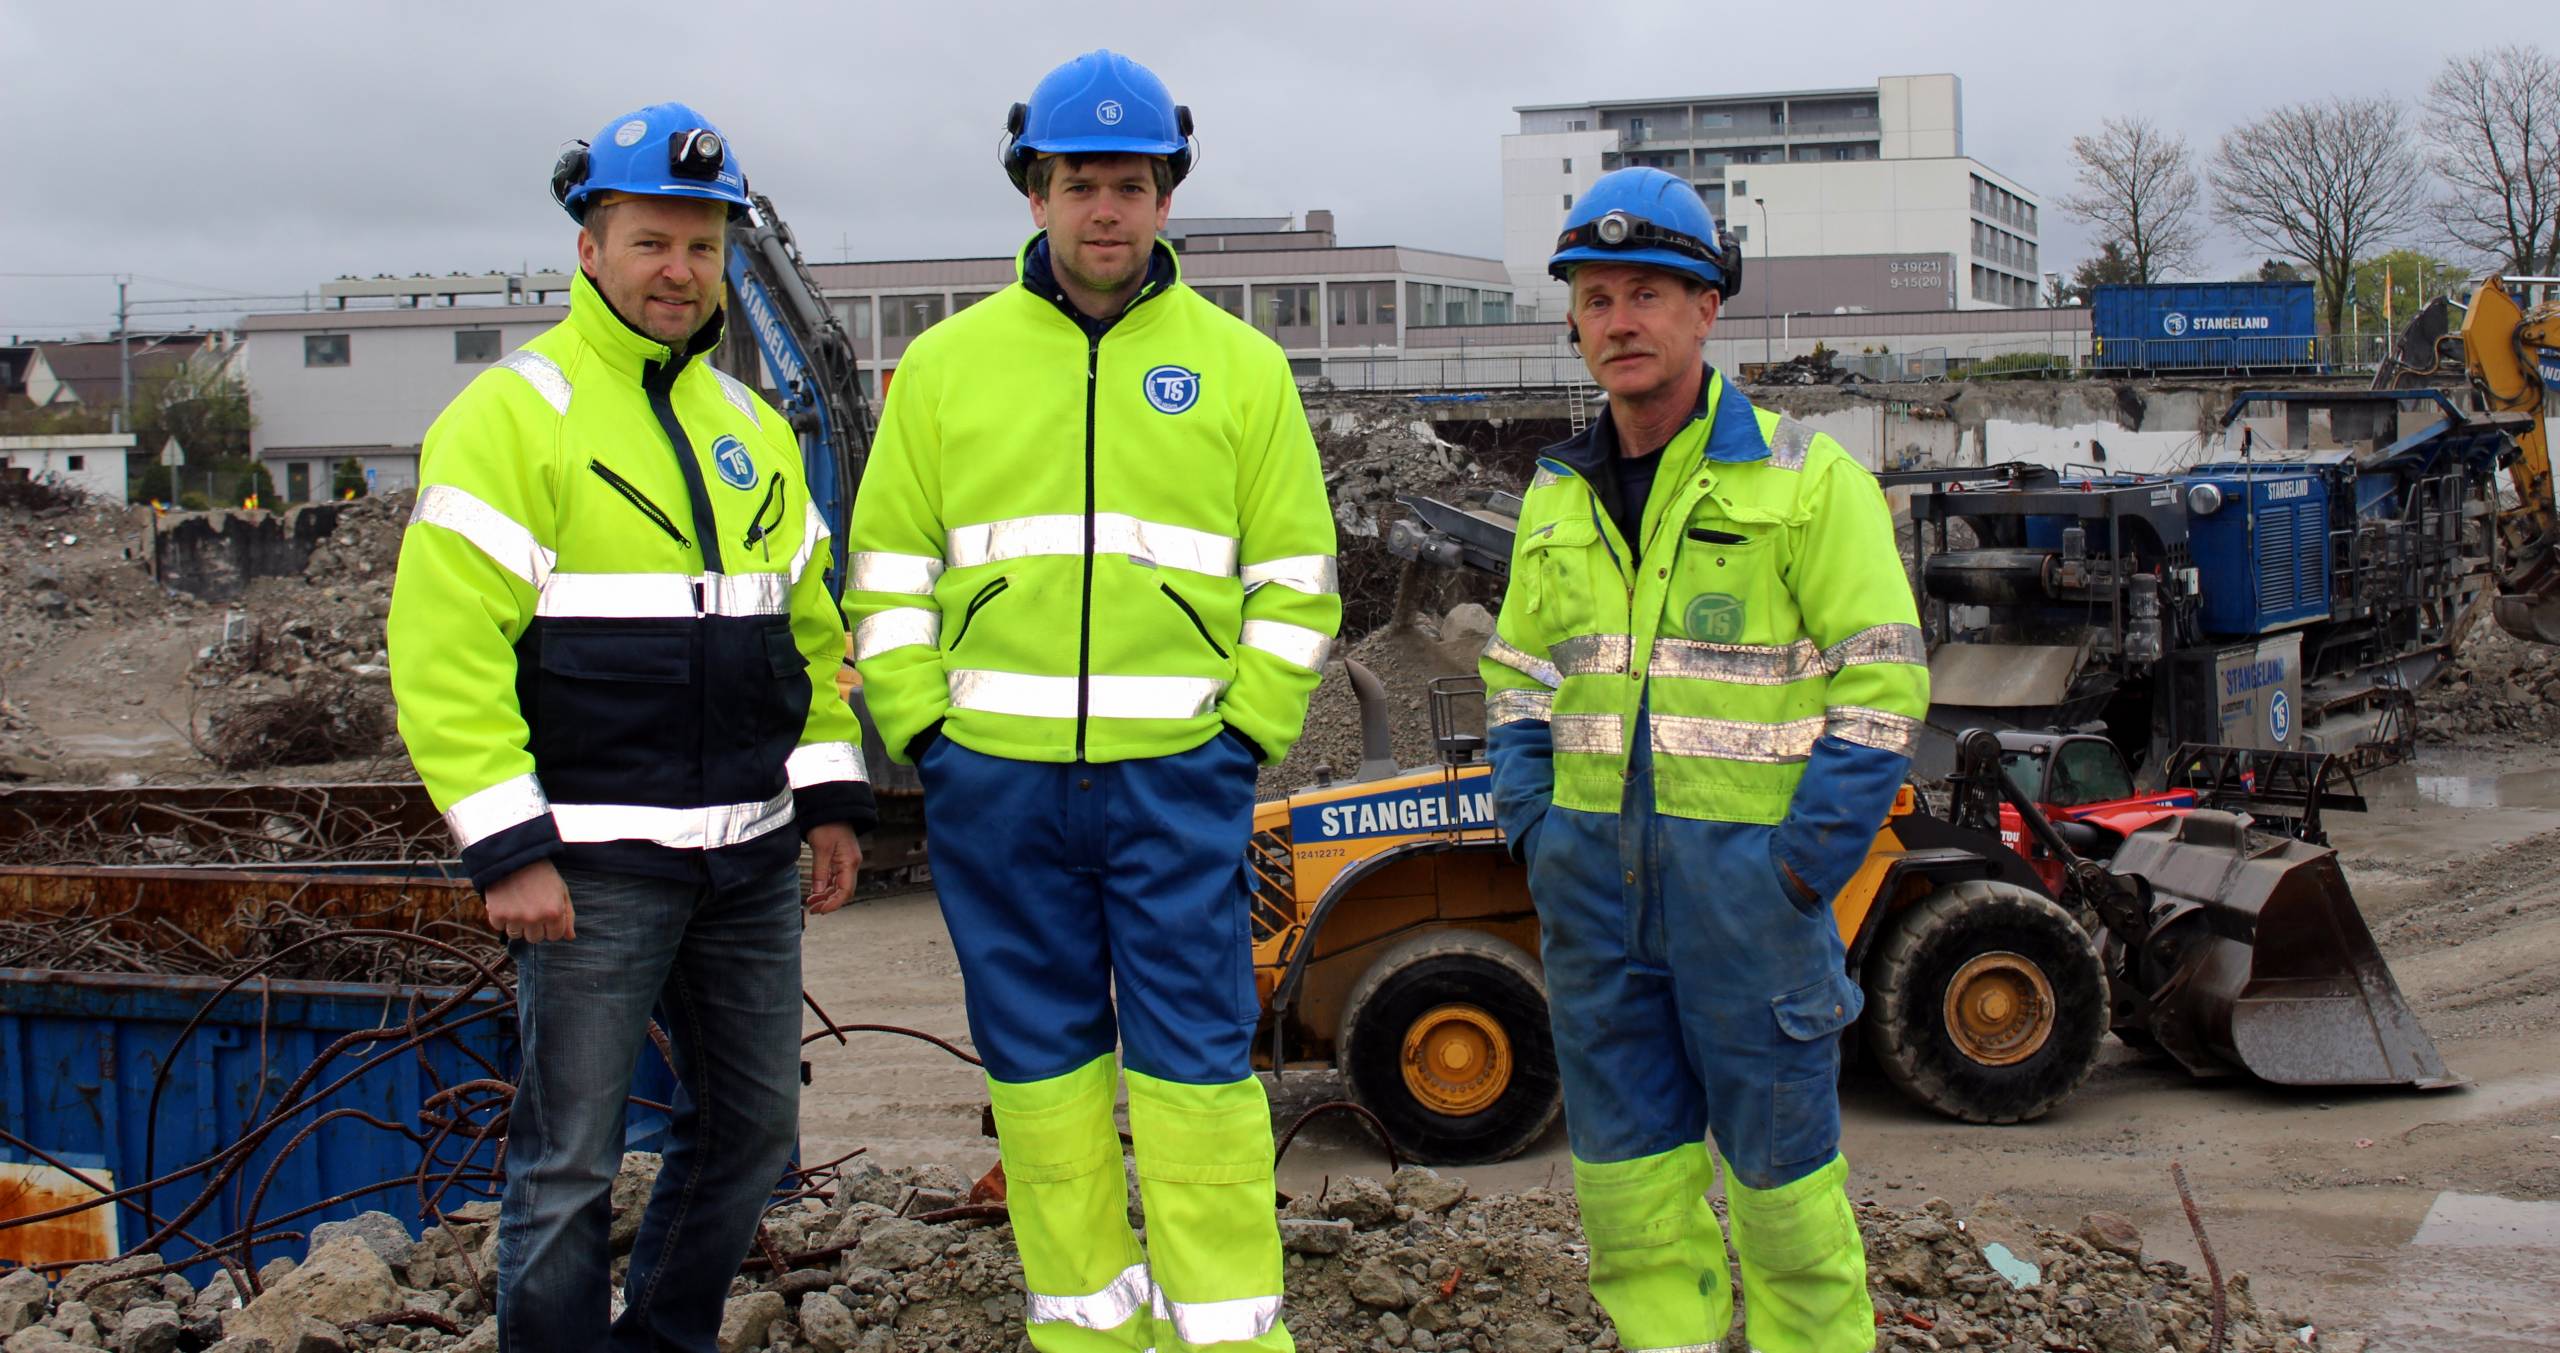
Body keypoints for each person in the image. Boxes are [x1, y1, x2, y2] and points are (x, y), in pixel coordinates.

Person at [844, 50, 1337, 1353]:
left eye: (1130, 185)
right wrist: (925, 731)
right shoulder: (944, 371)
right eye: (1079, 184)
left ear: (1166, 197)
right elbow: (887, 569)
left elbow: (1295, 580)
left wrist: (1242, 737)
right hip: (993, 783)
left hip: (1178, 778)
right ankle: (1089, 1331)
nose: (1104, 209)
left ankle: (1228, 1331)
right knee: (1043, 1074)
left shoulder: (1244, 371)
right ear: (1034, 194)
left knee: (1196, 1071)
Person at [386, 101, 874, 1352]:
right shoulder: (511, 419)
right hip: (593, 864)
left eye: (702, 248)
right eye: (652, 242)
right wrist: (510, 845)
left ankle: (663, 1338)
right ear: (591, 249)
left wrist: (825, 801)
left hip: (749, 858)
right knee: (567, 1166)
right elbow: (445, 658)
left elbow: (806, 638)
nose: (680, 271)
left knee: (754, 1131)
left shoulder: (751, 431)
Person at [1477, 167, 1928, 1353]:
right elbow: (1518, 680)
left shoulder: (1803, 480)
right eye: (1595, 298)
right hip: (1593, 902)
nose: (1619, 320)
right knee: (1629, 1199)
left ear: (1705, 309)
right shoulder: (1555, 495)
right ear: (1574, 319)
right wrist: (1538, 829)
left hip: (1752, 903)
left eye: (1648, 295)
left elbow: (1880, 683)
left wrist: (1800, 868)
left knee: (1784, 1199)